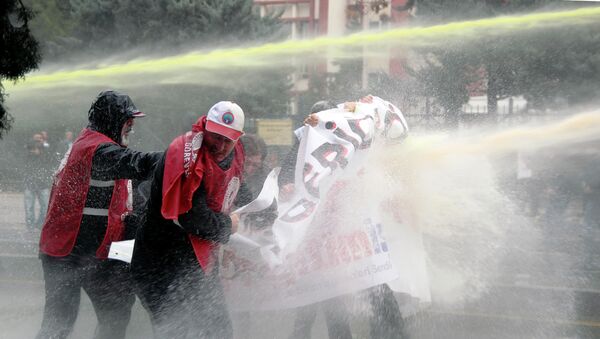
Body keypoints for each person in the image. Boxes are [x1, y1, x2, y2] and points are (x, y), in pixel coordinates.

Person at [36, 90, 162, 339]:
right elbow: (139, 163)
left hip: (97, 251)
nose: (132, 127)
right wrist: (182, 158)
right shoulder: (96, 149)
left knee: (116, 315)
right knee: (59, 324)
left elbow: (129, 195)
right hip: (67, 253)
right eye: (128, 121)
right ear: (113, 121)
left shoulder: (100, 147)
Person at [284, 96, 410, 339]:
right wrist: (286, 186)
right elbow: (289, 175)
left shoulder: (355, 142)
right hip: (322, 240)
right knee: (323, 300)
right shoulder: (303, 145)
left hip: (353, 235)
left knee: (374, 285)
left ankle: (394, 333)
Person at [131, 101, 253, 339]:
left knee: (218, 331)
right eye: (215, 137)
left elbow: (236, 183)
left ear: (239, 137)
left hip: (196, 262)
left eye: (228, 140)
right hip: (160, 263)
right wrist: (230, 225)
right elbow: (192, 217)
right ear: (205, 128)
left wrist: (265, 208)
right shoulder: (186, 155)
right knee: (176, 331)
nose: (220, 145)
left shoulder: (235, 151)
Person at [23, 133, 52, 230]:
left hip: (43, 183)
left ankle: (39, 224)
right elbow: (24, 157)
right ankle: (30, 226)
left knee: (45, 207)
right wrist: (33, 148)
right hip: (30, 182)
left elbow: (50, 158)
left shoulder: (46, 149)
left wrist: (42, 147)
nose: (37, 141)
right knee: (29, 207)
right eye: (36, 139)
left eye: (39, 139)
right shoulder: (28, 148)